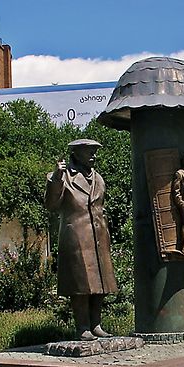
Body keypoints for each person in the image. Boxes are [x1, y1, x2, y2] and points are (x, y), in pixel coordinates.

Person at [44, 139, 118, 341]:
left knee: (100, 284)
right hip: (77, 237)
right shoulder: (63, 176)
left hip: (99, 237)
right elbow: (51, 205)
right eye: (89, 152)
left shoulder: (99, 178)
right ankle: (82, 327)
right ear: (76, 153)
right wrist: (57, 178)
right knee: (81, 285)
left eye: (94, 152)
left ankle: (96, 325)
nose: (93, 155)